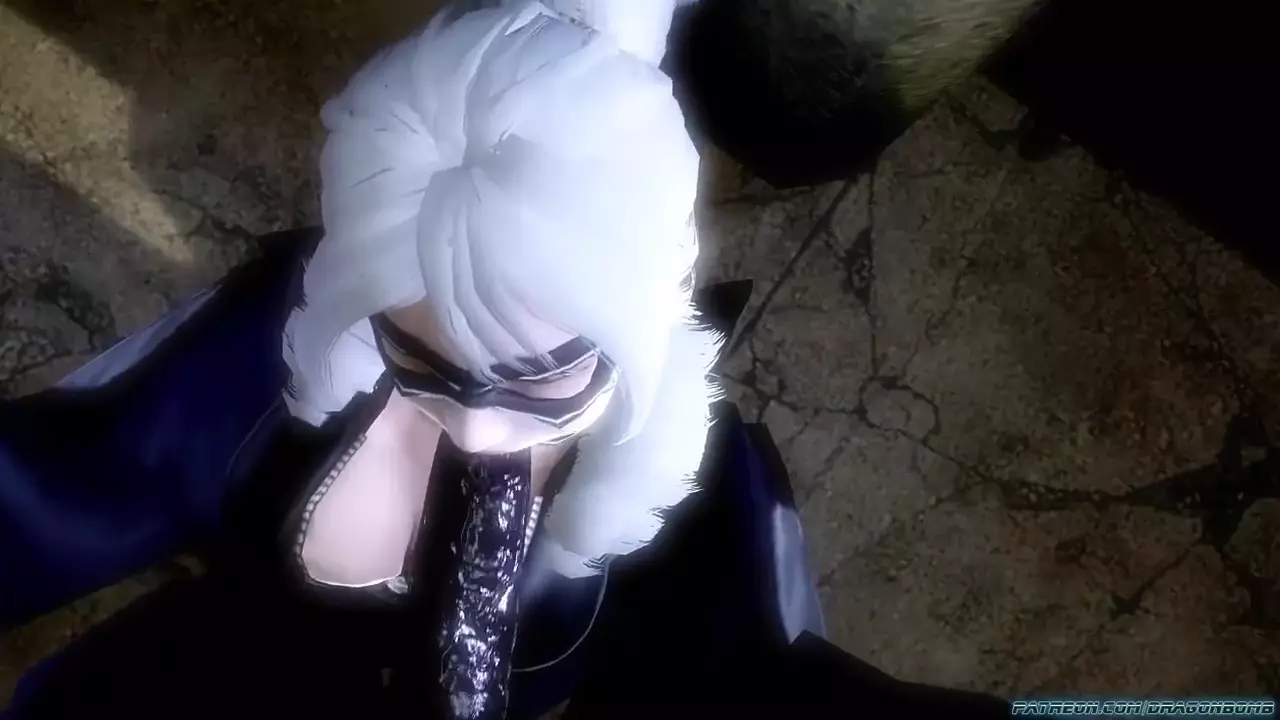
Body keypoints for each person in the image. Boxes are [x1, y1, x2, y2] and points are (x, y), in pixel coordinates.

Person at [0, 1, 1009, 717]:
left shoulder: (701, 494)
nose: (479, 435)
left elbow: (773, 686)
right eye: (421, 361)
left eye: (539, 380)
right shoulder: (261, 363)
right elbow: (51, 486)